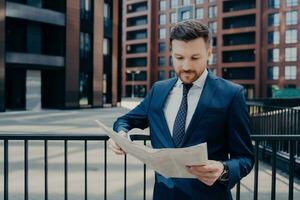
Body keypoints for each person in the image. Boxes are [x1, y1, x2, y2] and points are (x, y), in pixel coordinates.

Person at [109, 19, 254, 200]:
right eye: (179, 58)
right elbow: (124, 121)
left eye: (195, 58)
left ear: (209, 53)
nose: (186, 66)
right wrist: (120, 135)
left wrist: (223, 170)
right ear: (171, 54)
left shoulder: (231, 94)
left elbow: (245, 158)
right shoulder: (158, 91)